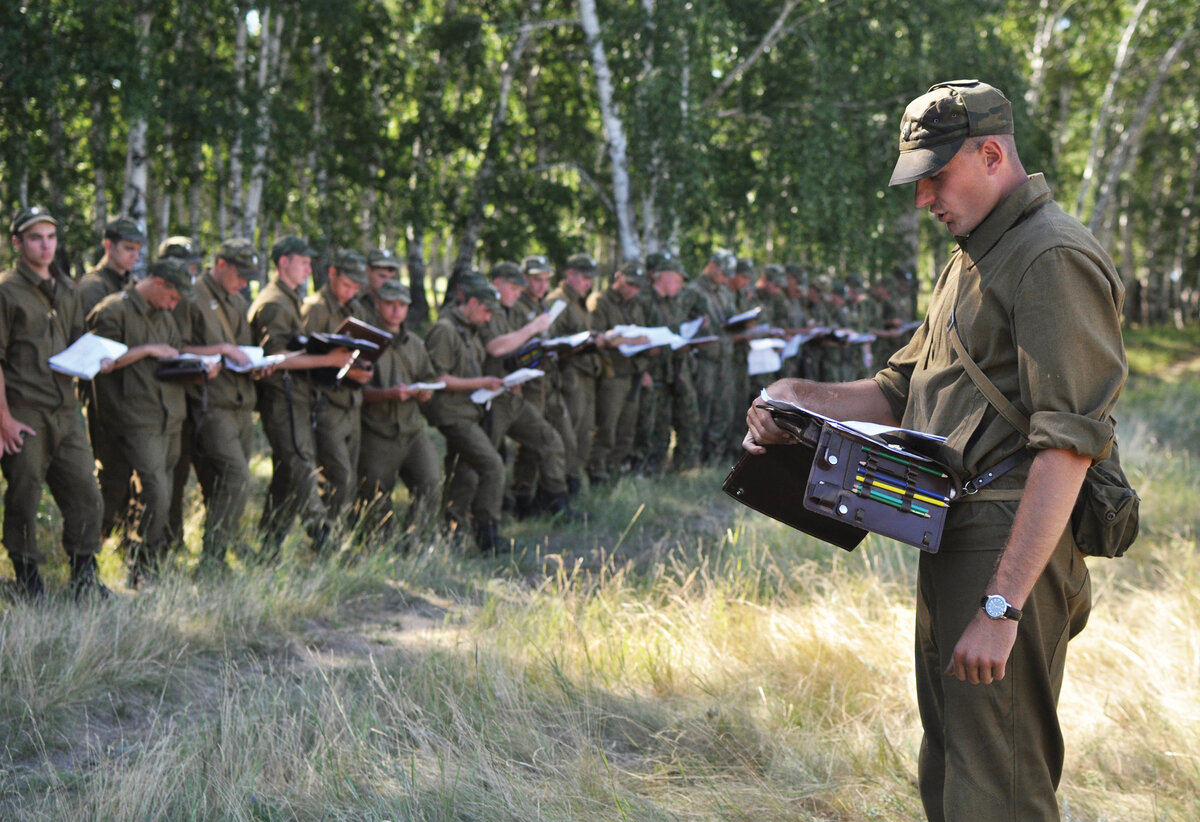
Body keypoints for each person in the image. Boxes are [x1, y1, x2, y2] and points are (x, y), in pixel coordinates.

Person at [744, 80, 1127, 822]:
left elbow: (1069, 446)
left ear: (991, 154)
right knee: (953, 767)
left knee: (1000, 788)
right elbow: (901, 386)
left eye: (936, 177)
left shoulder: (1049, 257)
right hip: (957, 531)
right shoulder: (975, 254)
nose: (924, 201)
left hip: (1007, 541)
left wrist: (1000, 603)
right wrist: (799, 397)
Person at [88, 257, 219, 585]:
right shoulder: (113, 310)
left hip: (170, 415)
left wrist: (199, 369)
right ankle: (126, 560)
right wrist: (145, 349)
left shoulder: (165, 315)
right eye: (173, 297)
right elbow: (99, 361)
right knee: (154, 490)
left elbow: (172, 356)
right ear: (158, 282)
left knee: (162, 491)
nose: (174, 305)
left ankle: (141, 560)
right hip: (134, 417)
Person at [0, 207, 108, 599]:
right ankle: (27, 580)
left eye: (50, 237)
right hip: (24, 408)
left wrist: (99, 357)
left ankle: (84, 577)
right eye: (35, 238)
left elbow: (77, 340)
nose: (45, 246)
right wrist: (4, 420)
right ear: (17, 243)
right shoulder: (6, 289)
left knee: (85, 492)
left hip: (66, 409)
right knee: (24, 495)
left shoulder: (68, 288)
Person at [248, 236, 355, 557]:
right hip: (282, 397)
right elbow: (274, 358)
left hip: (295, 396)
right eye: (303, 260)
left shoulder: (288, 298)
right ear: (284, 263)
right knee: (300, 464)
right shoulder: (275, 303)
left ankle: (268, 548)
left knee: (286, 473)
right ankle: (322, 540)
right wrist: (327, 360)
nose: (310, 267)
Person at [172, 238, 264, 569]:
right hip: (209, 405)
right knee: (237, 476)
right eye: (240, 275)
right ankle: (211, 559)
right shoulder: (191, 297)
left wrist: (257, 362)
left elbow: (243, 350)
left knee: (221, 484)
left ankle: (218, 554)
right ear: (221, 265)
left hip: (240, 402)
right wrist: (220, 350)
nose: (244, 284)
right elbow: (176, 349)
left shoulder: (238, 301)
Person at [422, 273, 507, 551]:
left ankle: (453, 529)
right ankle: (487, 531)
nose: (487, 318)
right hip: (452, 414)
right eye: (485, 310)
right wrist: (481, 383)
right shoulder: (445, 330)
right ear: (470, 302)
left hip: (469, 411)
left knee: (464, 471)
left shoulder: (468, 330)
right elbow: (437, 379)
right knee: (492, 465)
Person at [480, 261, 572, 517]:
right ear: (497, 284)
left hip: (513, 393)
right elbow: (496, 348)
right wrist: (533, 329)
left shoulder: (511, 311)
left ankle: (556, 504)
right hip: (489, 397)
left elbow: (514, 351)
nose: (519, 293)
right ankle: (478, 518)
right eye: (514, 288)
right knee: (485, 460)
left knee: (549, 440)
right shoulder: (489, 311)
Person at [356, 278, 441, 543]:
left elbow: (429, 376)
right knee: (374, 492)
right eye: (390, 304)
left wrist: (426, 391)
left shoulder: (415, 343)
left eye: (402, 305)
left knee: (430, 482)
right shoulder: (365, 340)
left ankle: (413, 541)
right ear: (378, 303)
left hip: (412, 428)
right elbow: (355, 390)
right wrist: (388, 394)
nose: (396, 310)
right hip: (377, 430)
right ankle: (378, 544)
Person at [301, 249, 374, 524]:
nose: (350, 292)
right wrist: (345, 370)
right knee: (338, 476)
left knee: (350, 476)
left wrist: (364, 368)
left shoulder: (356, 308)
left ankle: (340, 536)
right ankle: (325, 539)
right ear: (332, 274)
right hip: (325, 404)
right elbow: (306, 359)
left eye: (356, 287)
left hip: (351, 404)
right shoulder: (315, 308)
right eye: (346, 285)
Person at [546, 254, 603, 488]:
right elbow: (547, 340)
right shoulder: (558, 301)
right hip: (568, 376)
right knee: (568, 435)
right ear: (570, 275)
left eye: (591, 280)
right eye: (585, 278)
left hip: (585, 375)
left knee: (583, 433)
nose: (588, 284)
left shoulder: (578, 302)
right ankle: (561, 482)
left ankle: (573, 479)